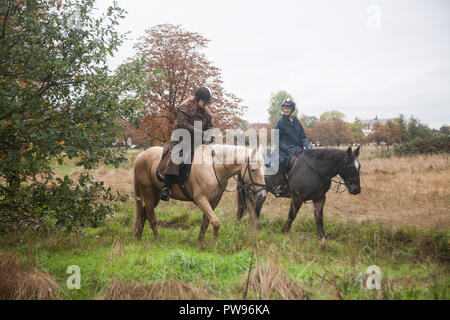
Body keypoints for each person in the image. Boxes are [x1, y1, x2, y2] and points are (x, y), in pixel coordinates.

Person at [156, 86, 215, 201]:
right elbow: (184, 125)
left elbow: (210, 126)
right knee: (176, 156)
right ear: (198, 99)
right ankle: (166, 188)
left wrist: (211, 135)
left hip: (198, 142)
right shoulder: (184, 107)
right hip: (181, 139)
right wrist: (201, 133)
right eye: (205, 102)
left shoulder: (206, 112)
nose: (206, 105)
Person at [274, 98, 309, 196]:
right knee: (280, 162)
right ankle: (279, 185)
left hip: (299, 148)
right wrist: (287, 148)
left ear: (292, 109)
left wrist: (306, 147)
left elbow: (303, 136)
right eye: (285, 108)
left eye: (288, 108)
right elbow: (276, 140)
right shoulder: (280, 122)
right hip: (284, 150)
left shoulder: (297, 121)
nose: (286, 110)